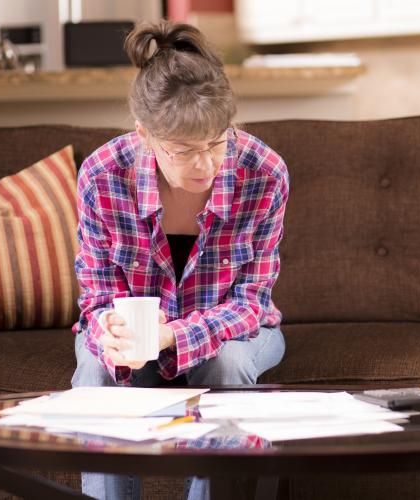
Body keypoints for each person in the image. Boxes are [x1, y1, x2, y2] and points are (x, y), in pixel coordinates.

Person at [71, 19, 288, 500]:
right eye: (184, 151)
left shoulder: (264, 172)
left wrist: (175, 334)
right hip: (139, 340)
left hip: (238, 332)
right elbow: (97, 296)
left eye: (216, 143)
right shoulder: (103, 174)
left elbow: (252, 301)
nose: (206, 166)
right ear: (145, 135)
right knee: (96, 371)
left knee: (227, 364)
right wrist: (112, 331)